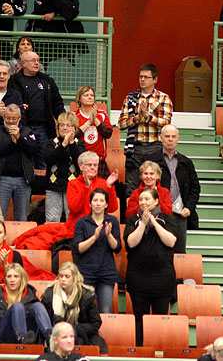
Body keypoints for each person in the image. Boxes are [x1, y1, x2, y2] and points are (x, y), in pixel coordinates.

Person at [124, 188, 178, 346]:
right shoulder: (132, 220)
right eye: (141, 199)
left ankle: (159, 351)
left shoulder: (168, 219)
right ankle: (141, 351)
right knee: (139, 320)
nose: (143, 202)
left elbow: (171, 241)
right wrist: (143, 224)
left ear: (156, 201)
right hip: (138, 278)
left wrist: (153, 222)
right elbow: (131, 243)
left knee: (160, 321)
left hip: (162, 280)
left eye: (147, 199)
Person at [118, 64, 174, 194]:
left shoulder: (163, 98)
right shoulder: (131, 98)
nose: (142, 80)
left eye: (146, 77)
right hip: (134, 147)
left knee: (154, 185)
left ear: (155, 80)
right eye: (141, 77)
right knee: (131, 187)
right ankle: (132, 214)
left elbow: (166, 123)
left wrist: (148, 117)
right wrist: (138, 118)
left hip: (154, 146)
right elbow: (121, 124)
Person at [149, 124, 201, 252]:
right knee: (158, 250)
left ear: (178, 139)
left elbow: (195, 187)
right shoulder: (151, 160)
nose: (170, 139)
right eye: (167, 136)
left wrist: (189, 207)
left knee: (179, 252)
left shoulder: (186, 162)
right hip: (158, 213)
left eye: (173, 136)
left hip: (180, 214)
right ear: (161, 138)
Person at [9, 50, 65, 169]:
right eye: (33, 61)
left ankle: (42, 187)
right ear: (23, 63)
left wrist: (63, 120)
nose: (37, 63)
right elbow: (9, 102)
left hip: (42, 128)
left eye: (38, 61)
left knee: (43, 161)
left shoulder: (47, 81)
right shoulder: (13, 81)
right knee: (22, 160)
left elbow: (57, 104)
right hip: (22, 127)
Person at [0, 263, 52, 349]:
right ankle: (22, 340)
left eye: (16, 276)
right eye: (9, 277)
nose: (12, 280)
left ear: (21, 279)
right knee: (17, 306)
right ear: (5, 279)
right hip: (1, 334)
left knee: (38, 306)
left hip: (28, 336)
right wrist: (2, 317)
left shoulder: (30, 296)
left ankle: (51, 339)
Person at [73, 188, 121, 314]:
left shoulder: (112, 221)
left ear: (106, 204)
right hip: (86, 272)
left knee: (105, 310)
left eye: (101, 201)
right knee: (83, 311)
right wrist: (94, 237)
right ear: (90, 203)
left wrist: (109, 235)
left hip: (106, 272)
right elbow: (78, 248)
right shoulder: (82, 222)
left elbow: (117, 248)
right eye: (95, 200)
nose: (98, 203)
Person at [27, 0, 85, 66]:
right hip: (43, 26)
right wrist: (62, 9)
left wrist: (55, 13)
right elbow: (38, 8)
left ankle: (70, 52)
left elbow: (75, 10)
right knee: (42, 56)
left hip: (61, 27)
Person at [41, 262, 106, 353]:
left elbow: (95, 323)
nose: (63, 279)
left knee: (93, 345)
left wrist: (75, 329)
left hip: (82, 332)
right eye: (61, 276)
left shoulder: (86, 295)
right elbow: (46, 322)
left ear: (74, 278)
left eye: (67, 276)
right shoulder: (50, 294)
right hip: (56, 333)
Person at [0, 104, 36, 221]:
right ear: (3, 117)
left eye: (14, 118)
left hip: (23, 180)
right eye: (8, 118)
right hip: (2, 179)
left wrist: (19, 138)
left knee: (22, 217)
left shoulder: (28, 132)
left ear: (19, 118)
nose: (11, 121)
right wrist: (12, 143)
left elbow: (32, 151)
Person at [43, 112, 85, 223]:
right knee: (51, 220)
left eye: (68, 125)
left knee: (72, 220)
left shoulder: (79, 144)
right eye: (61, 125)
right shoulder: (51, 143)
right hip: (53, 187)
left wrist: (71, 143)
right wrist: (63, 145)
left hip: (73, 188)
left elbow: (80, 163)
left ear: (74, 128)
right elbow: (48, 159)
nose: (64, 128)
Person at [67, 152, 119, 233]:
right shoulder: (73, 184)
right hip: (78, 229)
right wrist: (86, 188)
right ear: (81, 166)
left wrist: (109, 187)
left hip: (100, 228)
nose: (93, 167)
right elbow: (74, 209)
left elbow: (112, 208)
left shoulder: (104, 183)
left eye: (95, 165)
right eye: (89, 165)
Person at [73, 85, 113, 178]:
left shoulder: (102, 114)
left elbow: (108, 133)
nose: (90, 97)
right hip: (81, 160)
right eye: (86, 95)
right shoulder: (74, 116)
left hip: (99, 160)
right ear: (79, 98)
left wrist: (96, 121)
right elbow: (73, 135)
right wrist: (88, 122)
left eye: (92, 95)